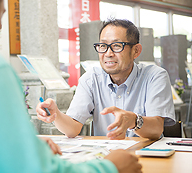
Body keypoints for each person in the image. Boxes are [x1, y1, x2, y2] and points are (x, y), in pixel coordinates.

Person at [0, 0, 142, 172]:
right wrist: (110, 168)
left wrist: (26, 148)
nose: (0, 27)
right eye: (2, 15)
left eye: (116, 46)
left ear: (136, 51)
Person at [37, 19, 175, 140]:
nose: (108, 54)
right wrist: (56, 114)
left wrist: (133, 120)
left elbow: (157, 129)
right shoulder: (91, 79)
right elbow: (73, 128)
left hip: (145, 156)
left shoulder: (155, 76)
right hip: (105, 157)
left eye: (116, 46)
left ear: (136, 51)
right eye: (103, 46)